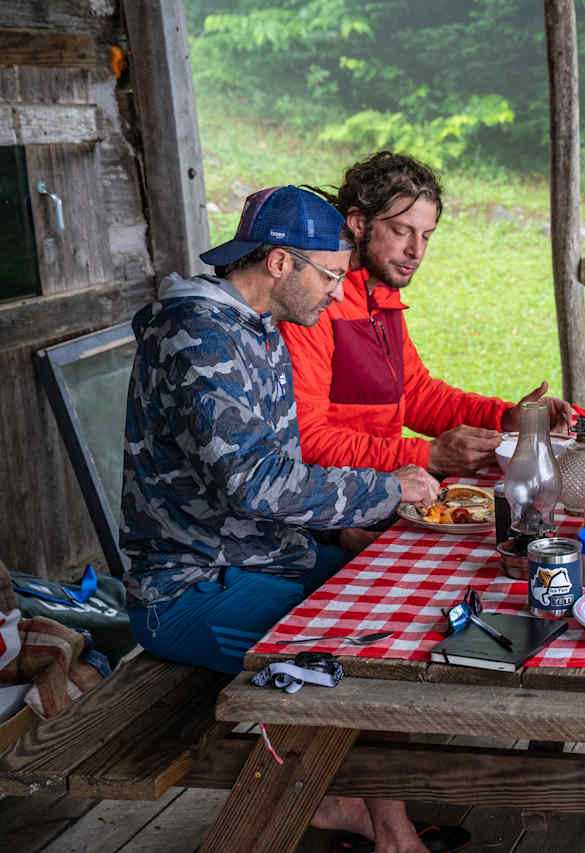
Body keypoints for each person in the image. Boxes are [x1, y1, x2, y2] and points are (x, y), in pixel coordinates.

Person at [119, 185, 454, 853]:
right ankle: (379, 827)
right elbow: (256, 483)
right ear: (278, 263)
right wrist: (384, 489)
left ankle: (359, 807)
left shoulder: (256, 325)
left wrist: (345, 525)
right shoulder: (197, 339)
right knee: (365, 654)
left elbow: (286, 461)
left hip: (260, 560)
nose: (337, 292)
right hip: (188, 589)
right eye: (329, 274)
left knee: (394, 597)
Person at [279, 151, 572, 493]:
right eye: (402, 231)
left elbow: (415, 394)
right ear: (359, 223)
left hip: (385, 487)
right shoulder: (315, 305)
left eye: (426, 236)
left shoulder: (381, 297)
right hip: (338, 501)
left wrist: (506, 419)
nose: (416, 251)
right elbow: (307, 441)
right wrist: (429, 455)